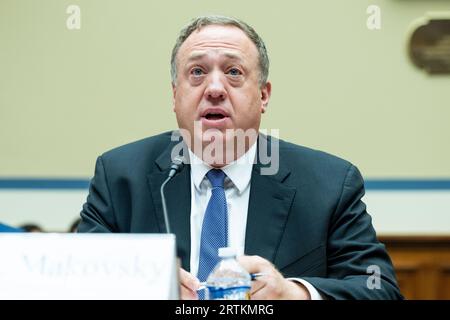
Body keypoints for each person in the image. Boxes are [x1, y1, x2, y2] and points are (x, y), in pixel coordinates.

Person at [78, 15, 402, 300]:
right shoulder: (120, 176)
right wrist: (141, 290)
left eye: (233, 72)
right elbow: (76, 284)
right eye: (197, 72)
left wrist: (295, 294)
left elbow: (379, 288)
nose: (215, 88)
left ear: (263, 95)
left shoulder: (329, 184)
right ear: (175, 96)